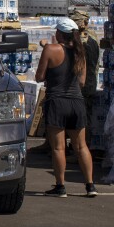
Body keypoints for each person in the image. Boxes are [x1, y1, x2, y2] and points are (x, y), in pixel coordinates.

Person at [36, 18, 97, 198]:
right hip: (76, 102)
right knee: (81, 146)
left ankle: (60, 186)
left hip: (57, 102)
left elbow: (39, 77)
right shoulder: (81, 53)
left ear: (59, 34)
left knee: (58, 148)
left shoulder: (51, 49)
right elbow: (82, 81)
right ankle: (90, 185)